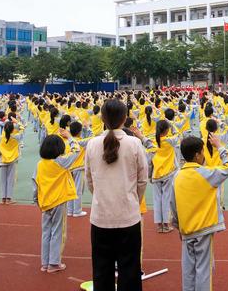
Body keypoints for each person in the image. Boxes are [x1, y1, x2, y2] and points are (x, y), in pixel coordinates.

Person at [85, 99, 148, 291]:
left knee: (102, 271)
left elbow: (90, 181)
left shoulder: (92, 144)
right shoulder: (134, 143)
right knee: (129, 271)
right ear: (124, 119)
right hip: (128, 216)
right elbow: (142, 180)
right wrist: (132, 200)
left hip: (100, 217)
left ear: (102, 118)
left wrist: (102, 197)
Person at [170, 135, 228, 291]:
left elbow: (173, 205)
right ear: (197, 155)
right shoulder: (206, 173)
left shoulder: (177, 176)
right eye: (202, 152)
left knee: (188, 270)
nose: (204, 155)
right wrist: (220, 147)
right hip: (204, 228)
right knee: (203, 270)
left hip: (186, 229)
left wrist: (178, 225)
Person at [32, 133, 80, 273]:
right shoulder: (61, 162)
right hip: (58, 200)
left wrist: (37, 201)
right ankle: (54, 263)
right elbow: (76, 151)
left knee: (46, 231)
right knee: (58, 231)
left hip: (45, 201)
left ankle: (45, 262)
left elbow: (35, 184)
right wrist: (70, 137)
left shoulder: (40, 164)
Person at [66, 120, 91, 218]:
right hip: (79, 168)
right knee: (78, 190)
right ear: (80, 131)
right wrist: (87, 127)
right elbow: (92, 136)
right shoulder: (81, 142)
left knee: (70, 189)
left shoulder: (68, 140)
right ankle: (77, 210)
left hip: (69, 168)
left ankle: (70, 210)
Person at [0, 120, 24, 204]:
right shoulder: (16, 137)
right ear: (12, 130)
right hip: (12, 160)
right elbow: (22, 128)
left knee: (3, 180)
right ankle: (9, 199)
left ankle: (3, 198)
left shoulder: (0, 138)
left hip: (3, 160)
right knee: (10, 180)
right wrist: (17, 122)